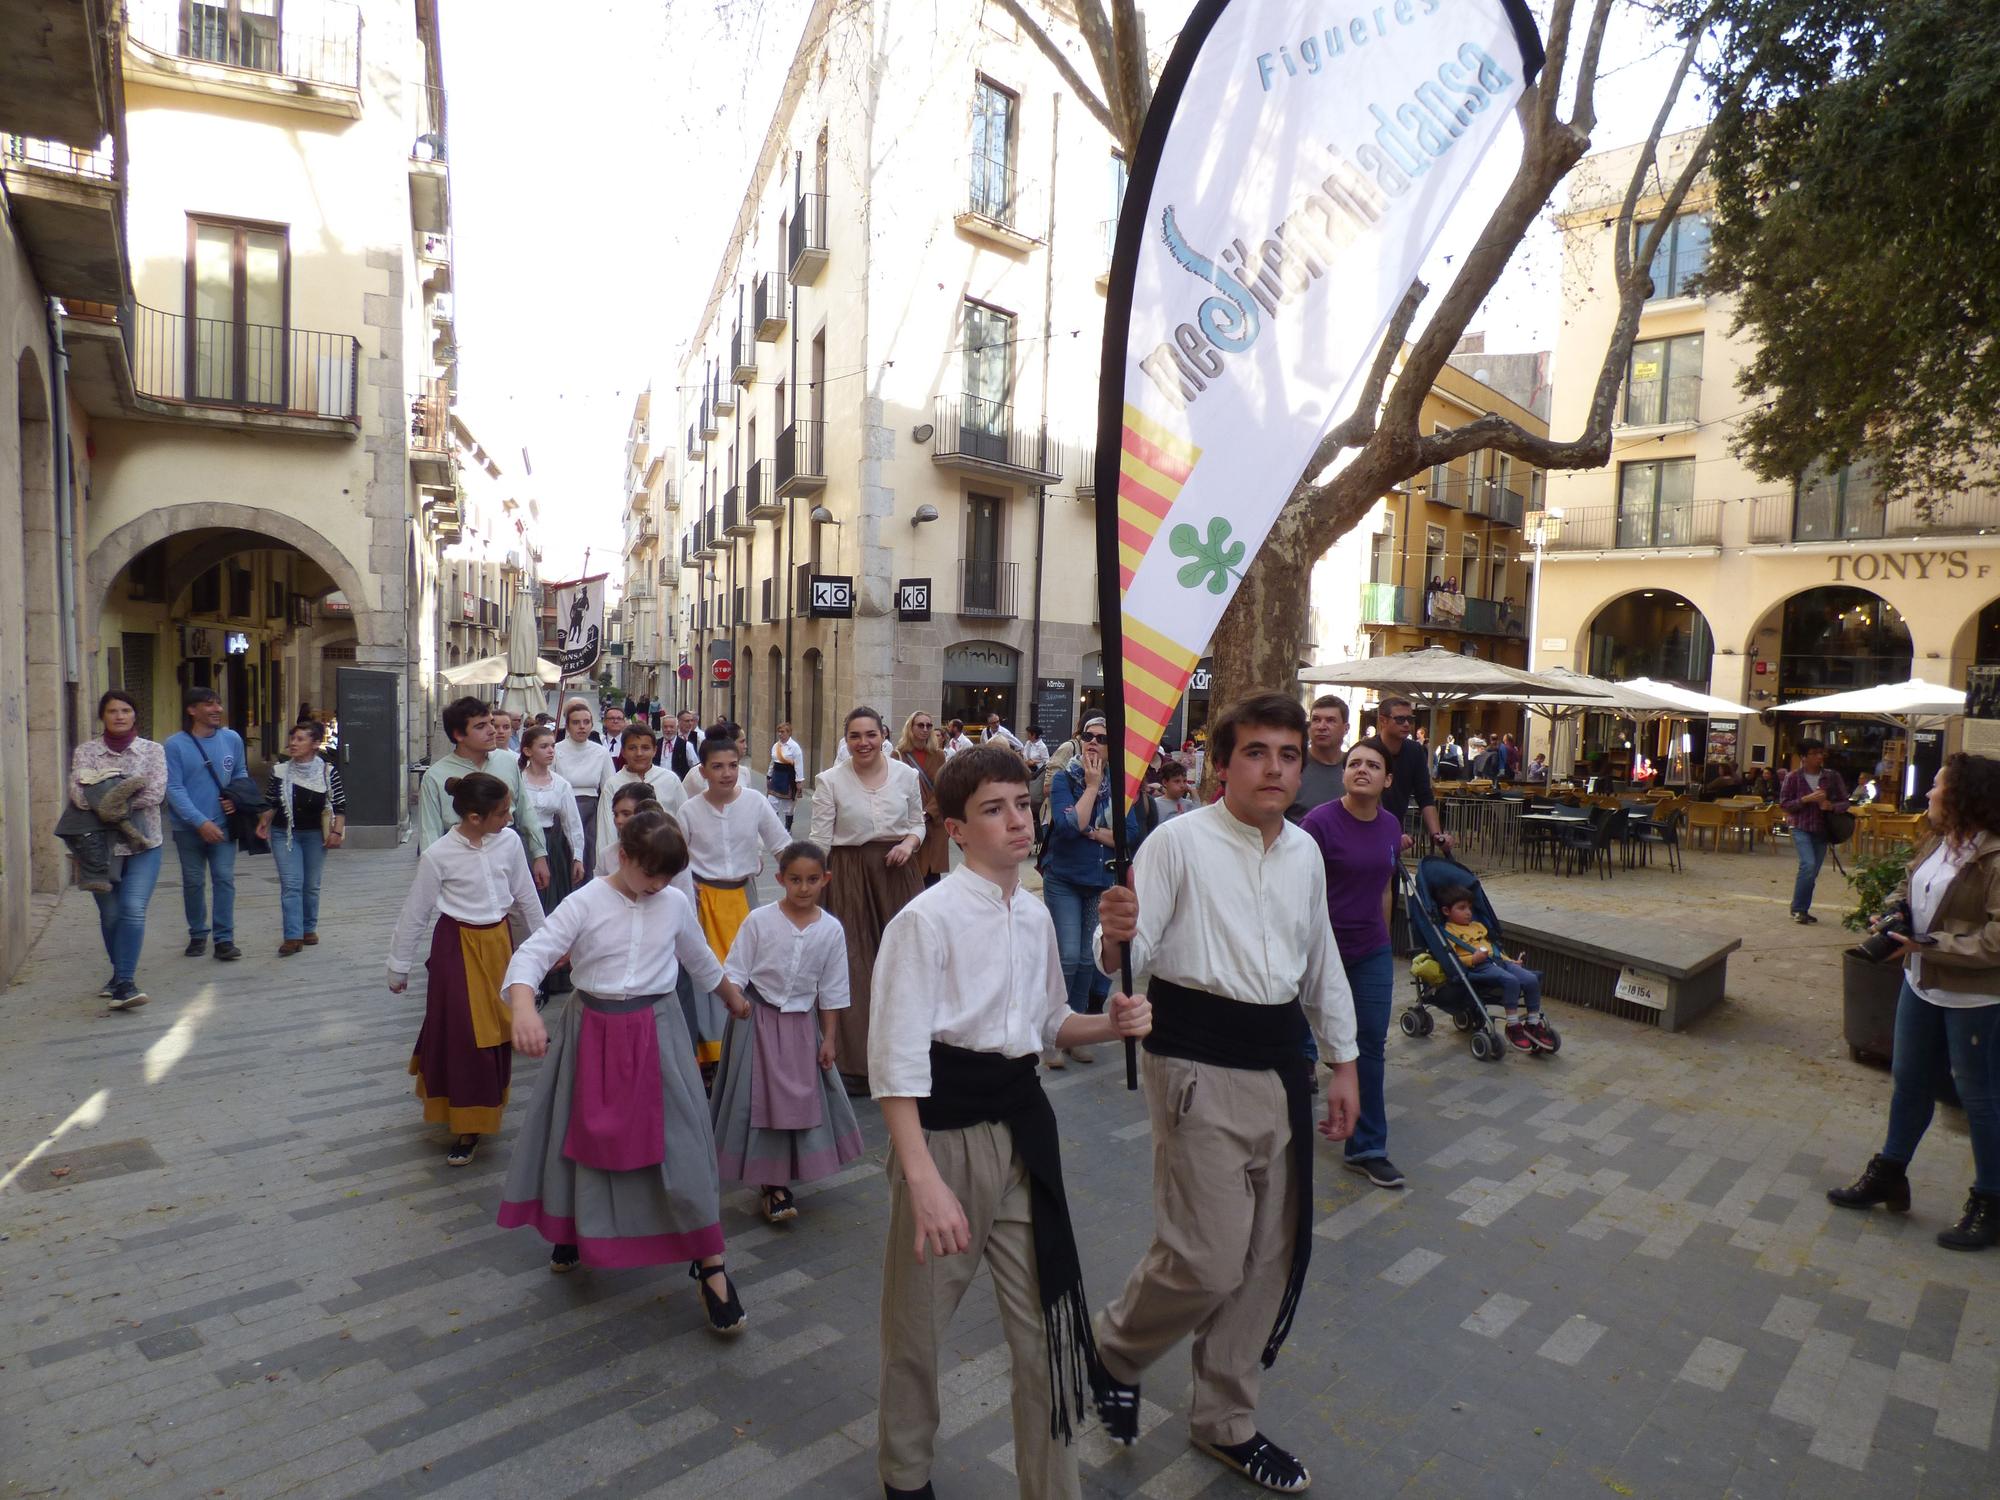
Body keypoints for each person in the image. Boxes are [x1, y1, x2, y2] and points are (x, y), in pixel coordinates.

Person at [1090, 693, 1359, 1492]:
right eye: (1256, 753)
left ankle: (1224, 1421)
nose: (1274, 767)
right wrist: (1114, 931)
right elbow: (1124, 964)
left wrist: (1344, 1063)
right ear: (1222, 763)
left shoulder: (1306, 852)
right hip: (1196, 1067)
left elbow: (1321, 963)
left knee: (1264, 1261)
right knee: (1207, 1259)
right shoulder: (1177, 844)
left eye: (1286, 753)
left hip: (1282, 1067)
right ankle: (1115, 1350)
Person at [871, 745, 1152, 1500]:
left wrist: (1112, 1025)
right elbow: (895, 1066)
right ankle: (905, 1475)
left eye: (1022, 805)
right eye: (993, 810)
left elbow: (1051, 1021)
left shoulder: (1030, 915)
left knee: (1048, 1333)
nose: (1017, 821)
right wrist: (923, 1181)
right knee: (918, 1330)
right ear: (957, 830)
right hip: (945, 1141)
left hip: (1026, 1135)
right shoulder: (923, 921)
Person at [497, 809, 753, 1326]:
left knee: (684, 1142)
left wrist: (732, 997)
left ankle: (711, 1264)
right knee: (575, 1135)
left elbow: (699, 958)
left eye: (667, 876)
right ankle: (570, 1228)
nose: (658, 886)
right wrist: (524, 1009)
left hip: (658, 1031)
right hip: (592, 1029)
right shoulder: (585, 902)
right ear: (623, 855)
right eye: (650, 874)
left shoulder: (674, 901)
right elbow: (531, 955)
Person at [1827, 753, 2000, 1250]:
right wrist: (1896, 916)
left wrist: (1930, 945)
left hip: (1974, 997)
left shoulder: (1994, 857)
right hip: (1919, 983)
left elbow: (1997, 939)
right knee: (1909, 1082)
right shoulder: (1938, 842)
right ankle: (1889, 1173)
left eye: (1938, 787)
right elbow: (1910, 886)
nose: (1928, 794)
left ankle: (1990, 1200)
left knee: (1979, 1097)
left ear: (1964, 797)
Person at [387, 772, 545, 1167]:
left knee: (495, 1032)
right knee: (463, 1035)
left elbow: (525, 895)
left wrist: (546, 945)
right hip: (456, 947)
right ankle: (466, 1122)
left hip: (499, 944)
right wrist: (398, 965)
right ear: (474, 817)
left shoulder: (509, 842)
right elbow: (416, 911)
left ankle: (488, 1105)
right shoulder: (438, 854)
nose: (509, 818)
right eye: (502, 812)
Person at [711, 840, 866, 1223]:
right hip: (757, 1023)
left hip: (800, 1028)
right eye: (795, 879)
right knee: (758, 1102)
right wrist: (738, 1002)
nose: (803, 887)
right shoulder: (760, 920)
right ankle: (771, 1183)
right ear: (780, 879)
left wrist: (829, 1038)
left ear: (826, 880)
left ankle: (785, 1173)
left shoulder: (830, 930)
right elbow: (735, 971)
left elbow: (832, 990)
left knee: (796, 1101)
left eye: (813, 879)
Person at [1302, 738, 1412, 1189]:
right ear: (1344, 774)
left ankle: (1367, 1147)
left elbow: (1385, 888)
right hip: (1314, 951)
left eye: (1372, 765)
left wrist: (1383, 940)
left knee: (1369, 1045)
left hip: (1369, 952)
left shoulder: (1389, 826)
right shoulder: (1319, 823)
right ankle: (1278, 1133)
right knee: (1292, 1041)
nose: (1361, 769)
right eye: (1354, 763)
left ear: (1387, 780)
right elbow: (1296, 887)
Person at [809, 707, 926, 1090]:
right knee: (856, 967)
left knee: (904, 963)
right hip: (848, 876)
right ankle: (857, 1062)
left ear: (883, 735)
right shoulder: (829, 781)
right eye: (855, 736)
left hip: (897, 875)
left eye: (870, 735)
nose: (864, 743)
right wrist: (810, 886)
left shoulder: (907, 775)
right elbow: (820, 840)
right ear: (846, 740)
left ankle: (906, 1056)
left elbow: (917, 823)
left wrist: (909, 844)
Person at [677, 735, 790, 1084]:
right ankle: (711, 1055)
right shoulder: (689, 810)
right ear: (703, 770)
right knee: (707, 977)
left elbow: (782, 845)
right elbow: (678, 858)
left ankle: (747, 1049)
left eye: (732, 766)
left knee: (749, 973)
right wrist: (684, 890)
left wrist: (798, 882)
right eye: (717, 767)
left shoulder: (755, 802)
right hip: (703, 903)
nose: (726, 773)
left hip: (744, 899)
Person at [69, 690, 168, 1010]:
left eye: (126, 710)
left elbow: (154, 793)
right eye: (113, 711)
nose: (120, 716)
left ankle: (125, 982)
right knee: (110, 915)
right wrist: (115, 800)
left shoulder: (152, 751)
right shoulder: (86, 752)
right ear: (103, 716)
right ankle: (117, 976)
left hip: (144, 842)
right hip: (99, 846)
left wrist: (107, 801)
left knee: (132, 909)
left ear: (135, 715)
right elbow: (79, 796)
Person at [1042, 715, 1116, 1069]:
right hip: (1064, 878)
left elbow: (1128, 835)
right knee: (1068, 956)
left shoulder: (1120, 784)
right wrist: (1090, 787)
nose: (1094, 743)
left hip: (1099, 880)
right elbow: (1070, 827)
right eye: (1088, 736)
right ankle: (1053, 1033)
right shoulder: (1063, 779)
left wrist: (1094, 831)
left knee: (1089, 959)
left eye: (1102, 739)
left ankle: (1077, 1034)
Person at [416, 697, 550, 890]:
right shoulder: (435, 776)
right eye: (481, 726)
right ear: (459, 734)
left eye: (491, 723)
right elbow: (430, 832)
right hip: (461, 861)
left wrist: (539, 854)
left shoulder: (507, 762)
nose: (492, 731)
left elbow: (525, 810)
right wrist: (434, 877)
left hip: (507, 852)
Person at [164, 686, 248, 963]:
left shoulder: (232, 739)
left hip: (224, 825)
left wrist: (236, 799)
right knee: (193, 881)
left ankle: (224, 939)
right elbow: (174, 788)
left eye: (219, 704)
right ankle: (198, 933)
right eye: (210, 705)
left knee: (224, 879)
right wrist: (199, 822)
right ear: (192, 710)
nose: (217, 710)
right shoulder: (174, 745)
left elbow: (240, 773)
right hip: (188, 828)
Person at [254, 721, 347, 957]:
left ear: (315, 743)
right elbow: (271, 801)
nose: (293, 744)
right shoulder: (280, 770)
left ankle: (308, 928)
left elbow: (340, 804)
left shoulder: (328, 771)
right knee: (291, 883)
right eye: (292, 738)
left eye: (300, 739)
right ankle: (292, 936)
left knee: (311, 884)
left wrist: (336, 832)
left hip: (316, 835)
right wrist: (263, 822)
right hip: (284, 834)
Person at [1438, 885, 1555, 1052]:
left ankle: (1533, 1023)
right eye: (1462, 908)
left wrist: (1510, 961)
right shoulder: (1447, 932)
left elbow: (1494, 948)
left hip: (1497, 961)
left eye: (1470, 908)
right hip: (1478, 966)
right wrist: (1472, 959)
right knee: (1511, 981)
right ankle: (1513, 1026)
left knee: (1530, 979)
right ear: (1446, 911)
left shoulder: (1477, 926)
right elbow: (1452, 959)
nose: (1468, 912)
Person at [518, 725, 587, 994]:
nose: (550, 751)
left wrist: (578, 857)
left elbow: (573, 824)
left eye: (552, 746)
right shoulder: (517, 781)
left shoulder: (561, 784)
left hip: (552, 845)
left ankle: (552, 972)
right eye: (543, 746)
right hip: (521, 845)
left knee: (551, 907)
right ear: (527, 751)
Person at [1780, 738, 1851, 924]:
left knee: (1813, 871)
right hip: (1801, 827)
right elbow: (1784, 804)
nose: (1819, 757)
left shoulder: (1832, 776)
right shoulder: (1793, 777)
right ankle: (1798, 909)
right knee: (1808, 865)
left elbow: (1845, 802)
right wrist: (1805, 799)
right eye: (1814, 753)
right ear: (1803, 757)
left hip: (1822, 830)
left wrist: (1831, 806)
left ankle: (1802, 908)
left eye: (1821, 753)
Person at [594, 720, 684, 857]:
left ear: (655, 750)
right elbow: (606, 830)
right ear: (623, 752)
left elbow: (682, 822)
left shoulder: (670, 780)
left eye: (645, 748)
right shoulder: (613, 784)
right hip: (627, 858)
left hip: (666, 856)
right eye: (632, 748)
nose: (639, 753)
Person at [892, 710, 953, 889]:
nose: (925, 729)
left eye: (929, 725)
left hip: (934, 822)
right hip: (908, 822)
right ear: (910, 728)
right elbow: (894, 789)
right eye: (920, 725)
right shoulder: (898, 756)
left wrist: (928, 813)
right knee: (909, 873)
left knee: (931, 877)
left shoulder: (939, 755)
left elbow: (944, 787)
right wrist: (914, 815)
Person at [553, 699, 613, 876]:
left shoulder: (601, 752)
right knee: (564, 857)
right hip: (562, 810)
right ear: (568, 725)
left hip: (592, 812)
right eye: (576, 722)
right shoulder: (555, 750)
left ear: (592, 725)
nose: (582, 727)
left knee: (589, 855)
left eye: (586, 722)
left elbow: (609, 787)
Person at [1285, 694, 1348, 822]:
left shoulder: (1356, 768)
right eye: (1316, 720)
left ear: (1345, 728)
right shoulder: (1291, 766)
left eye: (1330, 720)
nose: (1321, 727)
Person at [1127, 760, 1199, 855]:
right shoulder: (1156, 804)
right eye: (1177, 781)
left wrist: (1196, 798)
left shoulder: (1189, 804)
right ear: (1165, 782)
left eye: (1184, 781)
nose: (1182, 785)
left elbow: (1197, 825)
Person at [767, 719, 804, 829]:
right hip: (776, 776)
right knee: (771, 802)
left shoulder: (794, 747)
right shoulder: (775, 746)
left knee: (788, 807)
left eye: (782, 732)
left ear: (789, 733)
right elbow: (772, 762)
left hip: (788, 777)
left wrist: (799, 781)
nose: (780, 734)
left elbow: (798, 764)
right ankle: (775, 827)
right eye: (779, 731)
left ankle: (788, 828)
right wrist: (769, 776)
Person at [667, 710, 705, 778]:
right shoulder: (673, 736)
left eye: (692, 721)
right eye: (687, 721)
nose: (690, 723)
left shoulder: (699, 737)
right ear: (678, 722)